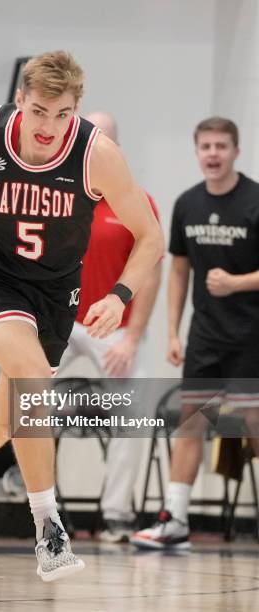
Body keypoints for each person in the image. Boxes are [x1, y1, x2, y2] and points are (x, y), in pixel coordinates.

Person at [0, 51, 163, 579]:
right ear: (21, 100)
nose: (49, 126)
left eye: (62, 114)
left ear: (76, 108)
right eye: (39, 111)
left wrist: (119, 295)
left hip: (55, 294)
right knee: (34, 383)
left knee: (8, 416)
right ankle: (48, 528)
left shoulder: (95, 155)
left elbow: (151, 236)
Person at [131, 117, 259, 550]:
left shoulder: (255, 200)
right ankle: (175, 521)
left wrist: (237, 283)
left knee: (254, 427)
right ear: (197, 152)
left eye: (221, 146)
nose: (213, 154)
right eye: (206, 146)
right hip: (205, 336)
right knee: (193, 423)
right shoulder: (187, 203)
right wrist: (172, 331)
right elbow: (179, 271)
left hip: (251, 336)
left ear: (236, 151)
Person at [57, 111, 162, 542]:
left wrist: (133, 337)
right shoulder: (60, 194)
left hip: (112, 326)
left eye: (103, 138)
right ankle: (35, 504)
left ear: (114, 147)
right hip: (63, 322)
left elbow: (152, 271)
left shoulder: (135, 199)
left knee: (131, 417)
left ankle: (117, 513)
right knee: (17, 396)